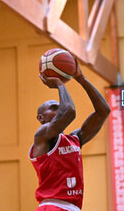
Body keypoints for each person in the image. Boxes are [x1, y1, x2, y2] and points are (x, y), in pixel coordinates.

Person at [28, 57, 110, 211]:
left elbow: (103, 111)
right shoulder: (42, 136)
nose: (59, 108)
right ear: (41, 117)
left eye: (59, 106)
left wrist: (81, 78)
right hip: (52, 206)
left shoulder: (75, 139)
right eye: (53, 107)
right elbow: (69, 112)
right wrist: (59, 83)